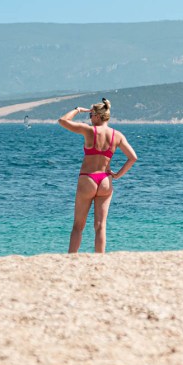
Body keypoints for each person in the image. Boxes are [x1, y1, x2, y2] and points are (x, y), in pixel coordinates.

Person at [58, 98, 137, 253]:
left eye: (91, 114)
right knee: (100, 226)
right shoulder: (117, 135)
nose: (89, 118)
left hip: (88, 178)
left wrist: (78, 109)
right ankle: (100, 260)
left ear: (98, 116)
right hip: (105, 180)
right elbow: (133, 157)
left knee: (78, 226)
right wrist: (117, 175)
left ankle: (71, 258)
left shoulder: (89, 131)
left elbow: (62, 121)